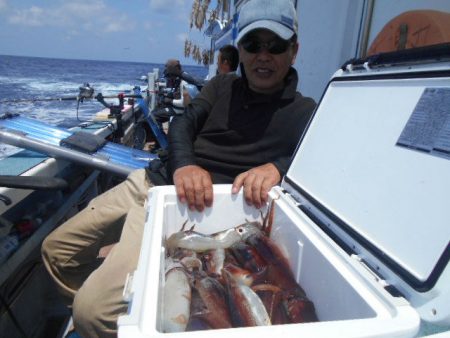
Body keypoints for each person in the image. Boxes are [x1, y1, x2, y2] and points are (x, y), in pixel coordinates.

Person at [41, 0, 316, 337]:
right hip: (151, 181)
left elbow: (323, 162)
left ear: (294, 51)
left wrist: (279, 166)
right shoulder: (221, 86)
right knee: (56, 252)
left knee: (92, 312)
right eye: (252, 44)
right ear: (240, 50)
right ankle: (126, 313)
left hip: (191, 212)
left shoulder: (306, 113)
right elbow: (184, 125)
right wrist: (184, 165)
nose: (263, 55)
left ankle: (114, 318)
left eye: (275, 45)